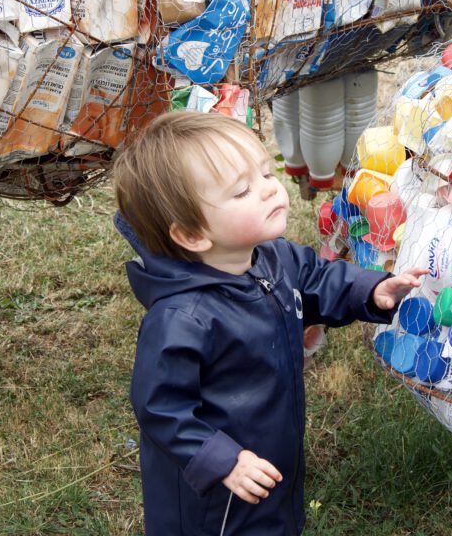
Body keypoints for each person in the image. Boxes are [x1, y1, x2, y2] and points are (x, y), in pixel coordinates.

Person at [113, 111, 428, 535]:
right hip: (214, 500)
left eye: (266, 172)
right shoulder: (181, 319)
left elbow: (318, 280)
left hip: (267, 462)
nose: (268, 190)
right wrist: (222, 461)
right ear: (192, 235)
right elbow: (163, 409)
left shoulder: (272, 258)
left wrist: (369, 291)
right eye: (243, 190)